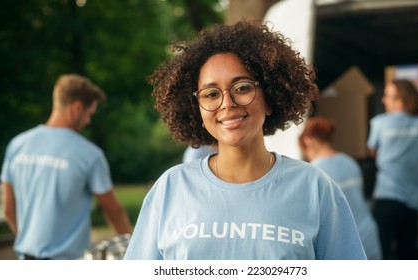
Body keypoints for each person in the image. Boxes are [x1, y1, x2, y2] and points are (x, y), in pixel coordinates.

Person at [123, 20, 366, 260]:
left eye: (242, 88)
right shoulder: (170, 189)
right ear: (196, 107)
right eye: (211, 94)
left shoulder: (315, 189)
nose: (227, 103)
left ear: (270, 98)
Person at [0, 74, 132, 260]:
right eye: (89, 114)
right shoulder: (89, 154)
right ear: (77, 108)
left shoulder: (18, 144)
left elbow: (8, 207)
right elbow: (113, 210)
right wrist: (133, 250)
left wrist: (26, 240)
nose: (88, 120)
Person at [367, 79, 418, 259]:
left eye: (387, 96)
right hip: (414, 199)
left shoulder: (379, 123)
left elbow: (372, 152)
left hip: (387, 196)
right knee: (407, 251)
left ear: (400, 99)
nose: (384, 100)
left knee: (380, 250)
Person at [299, 116, 382, 260]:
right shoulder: (350, 162)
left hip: (344, 246)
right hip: (368, 236)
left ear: (308, 141)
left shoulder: (314, 172)